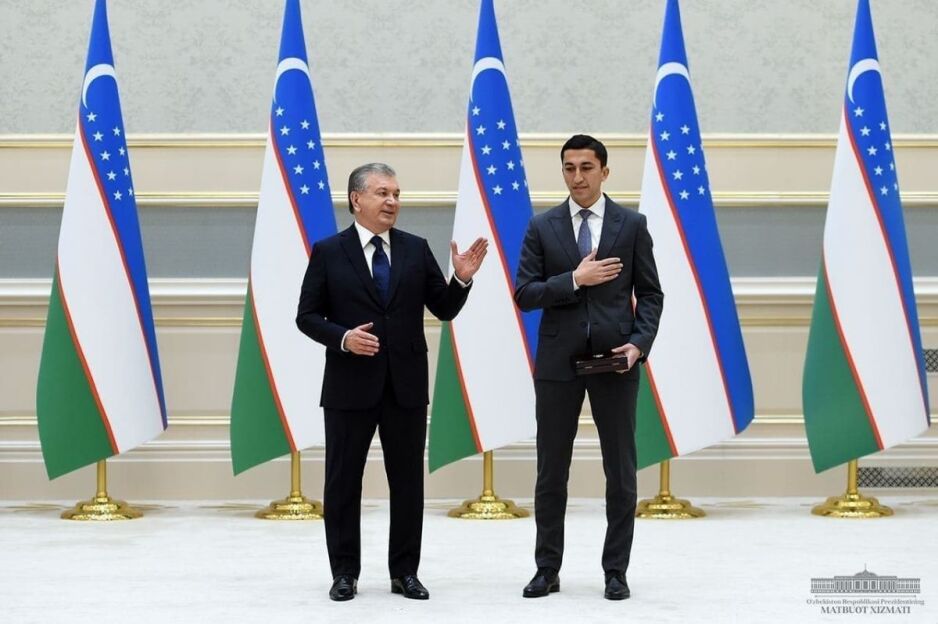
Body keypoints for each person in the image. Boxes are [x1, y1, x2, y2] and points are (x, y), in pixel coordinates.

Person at [296, 163, 487, 602]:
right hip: (349, 386)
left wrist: (461, 278)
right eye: (382, 193)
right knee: (343, 483)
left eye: (397, 194)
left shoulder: (416, 249)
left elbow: (444, 308)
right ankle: (345, 573)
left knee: (407, 484)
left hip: (406, 386)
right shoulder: (329, 252)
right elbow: (306, 316)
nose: (392, 201)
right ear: (356, 199)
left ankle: (405, 572)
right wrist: (343, 338)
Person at [514, 135, 663, 600]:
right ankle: (547, 569)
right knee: (550, 470)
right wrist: (574, 280)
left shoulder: (631, 225)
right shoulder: (543, 226)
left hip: (615, 363)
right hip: (558, 363)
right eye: (569, 168)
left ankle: (616, 571)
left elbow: (651, 294)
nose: (577, 177)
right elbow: (525, 294)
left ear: (604, 171)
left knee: (620, 470)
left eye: (585, 167)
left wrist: (639, 344)